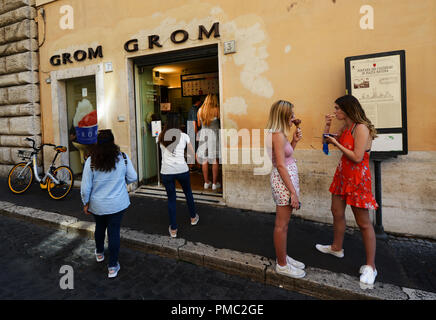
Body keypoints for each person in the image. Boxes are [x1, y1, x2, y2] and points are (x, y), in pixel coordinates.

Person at [316, 94, 379, 286]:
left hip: (358, 179)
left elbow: (357, 157)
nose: (334, 112)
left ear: (347, 109)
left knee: (364, 223)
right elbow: (325, 142)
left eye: (337, 109)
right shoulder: (347, 127)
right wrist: (327, 127)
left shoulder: (361, 128)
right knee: (336, 212)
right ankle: (336, 247)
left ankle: (371, 266)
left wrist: (337, 144)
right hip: (343, 176)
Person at [80, 129, 137, 278]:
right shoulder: (122, 158)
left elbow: (85, 187)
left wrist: (85, 203)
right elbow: (133, 177)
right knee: (114, 232)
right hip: (117, 203)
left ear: (98, 143)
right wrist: (121, 182)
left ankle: (99, 253)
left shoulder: (91, 161)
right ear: (113, 142)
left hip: (97, 204)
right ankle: (112, 266)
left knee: (100, 227)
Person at [266, 100, 306, 279]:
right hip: (284, 182)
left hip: (285, 180)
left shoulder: (279, 134)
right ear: (282, 115)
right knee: (281, 226)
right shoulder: (277, 135)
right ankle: (282, 265)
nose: (293, 118)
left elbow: (284, 156)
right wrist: (293, 192)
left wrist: (294, 141)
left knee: (284, 224)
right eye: (291, 115)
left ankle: (284, 258)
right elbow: (281, 165)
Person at [159, 115, 199, 238]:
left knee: (171, 199)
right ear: (178, 124)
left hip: (166, 172)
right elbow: (192, 154)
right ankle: (193, 218)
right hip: (182, 170)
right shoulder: (184, 136)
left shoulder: (161, 136)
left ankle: (174, 229)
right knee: (188, 193)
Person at [197, 94, 221, 191]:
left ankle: (206, 182)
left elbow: (199, 124)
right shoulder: (217, 110)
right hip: (213, 136)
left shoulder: (200, 110)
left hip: (203, 135)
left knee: (204, 160)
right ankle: (215, 184)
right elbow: (221, 122)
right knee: (214, 160)